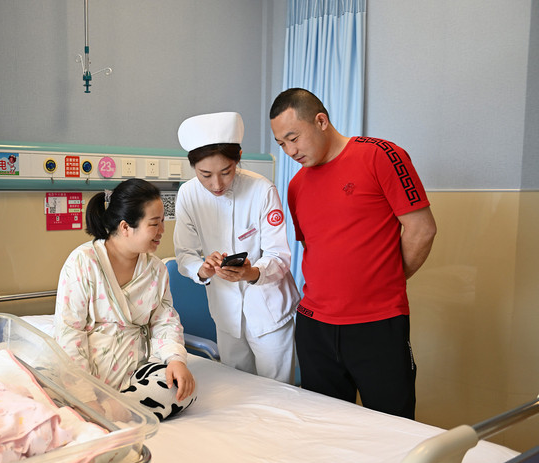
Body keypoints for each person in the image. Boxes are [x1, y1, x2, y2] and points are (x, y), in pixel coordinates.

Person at [269, 88, 437, 419]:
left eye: (293, 138)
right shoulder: (297, 185)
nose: (290, 151)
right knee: (325, 427)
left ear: (321, 121)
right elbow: (316, 248)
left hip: (376, 324)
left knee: (392, 425)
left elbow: (422, 230)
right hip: (315, 325)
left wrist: (386, 279)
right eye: (281, 144)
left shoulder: (381, 155)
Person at [54, 178, 196, 420]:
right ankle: (91, 407)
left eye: (163, 221)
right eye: (154, 223)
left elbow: (165, 321)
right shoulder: (83, 262)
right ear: (125, 227)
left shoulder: (155, 270)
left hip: (135, 373)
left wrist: (175, 359)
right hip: (87, 373)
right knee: (42, 385)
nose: (162, 230)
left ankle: (108, 412)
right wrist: (85, 396)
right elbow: (69, 333)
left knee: (183, 390)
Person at [174, 111, 300, 383]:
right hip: (226, 313)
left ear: (238, 158)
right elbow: (185, 254)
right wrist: (203, 269)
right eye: (205, 174)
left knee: (279, 392)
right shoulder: (188, 194)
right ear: (192, 166)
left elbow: (278, 255)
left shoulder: (262, 190)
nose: (216, 184)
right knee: (237, 389)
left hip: (269, 312)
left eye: (226, 172)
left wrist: (251, 272)